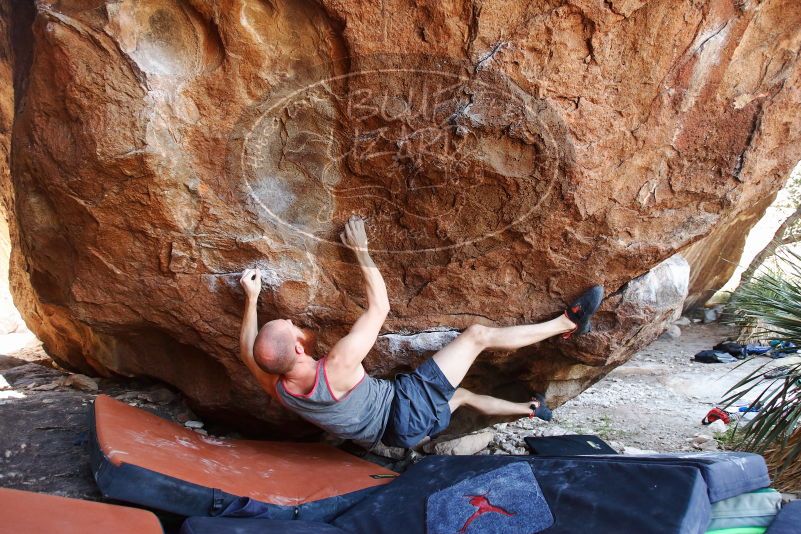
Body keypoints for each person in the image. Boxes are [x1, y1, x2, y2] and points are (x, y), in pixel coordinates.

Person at [238, 216, 604, 450]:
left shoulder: (280, 388)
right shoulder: (334, 368)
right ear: (300, 350)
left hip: (397, 436)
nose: (296, 323)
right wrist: (361, 252)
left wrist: (252, 299)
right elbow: (379, 307)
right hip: (405, 409)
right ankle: (568, 325)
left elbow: (248, 352)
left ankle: (530, 410)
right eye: (293, 326)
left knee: (460, 396)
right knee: (476, 335)